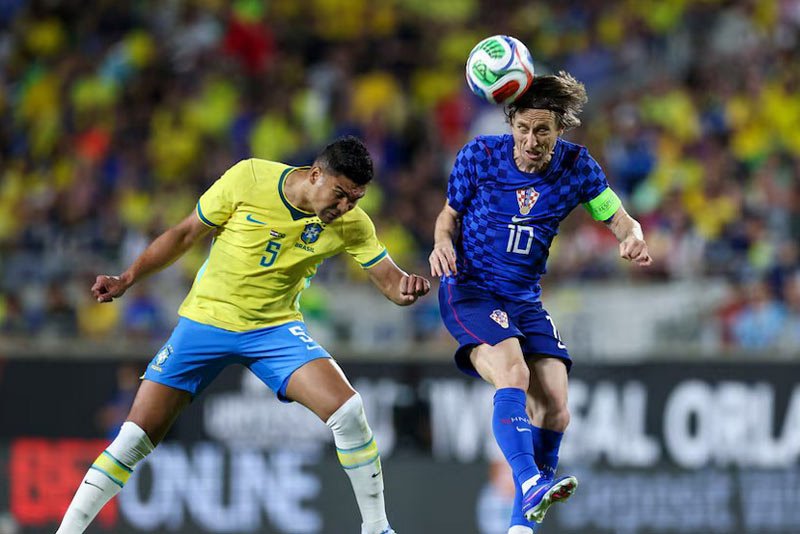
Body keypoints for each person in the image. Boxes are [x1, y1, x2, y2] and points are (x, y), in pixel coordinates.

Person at [57, 136, 430, 534]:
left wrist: (406, 288)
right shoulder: (249, 177)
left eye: (355, 200)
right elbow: (185, 234)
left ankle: (377, 528)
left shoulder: (352, 224)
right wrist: (127, 278)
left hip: (274, 329)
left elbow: (390, 281)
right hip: (206, 321)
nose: (344, 208)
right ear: (315, 174)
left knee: (349, 412)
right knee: (133, 437)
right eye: (340, 195)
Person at [429, 71, 651, 532]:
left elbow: (619, 218)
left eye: (543, 130)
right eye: (523, 128)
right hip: (470, 288)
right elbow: (448, 217)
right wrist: (441, 243)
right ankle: (530, 481)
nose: (531, 141)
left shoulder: (576, 168)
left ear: (560, 129)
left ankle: (521, 525)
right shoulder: (479, 156)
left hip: (524, 299)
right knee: (514, 372)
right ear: (510, 123)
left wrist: (631, 237)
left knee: (556, 408)